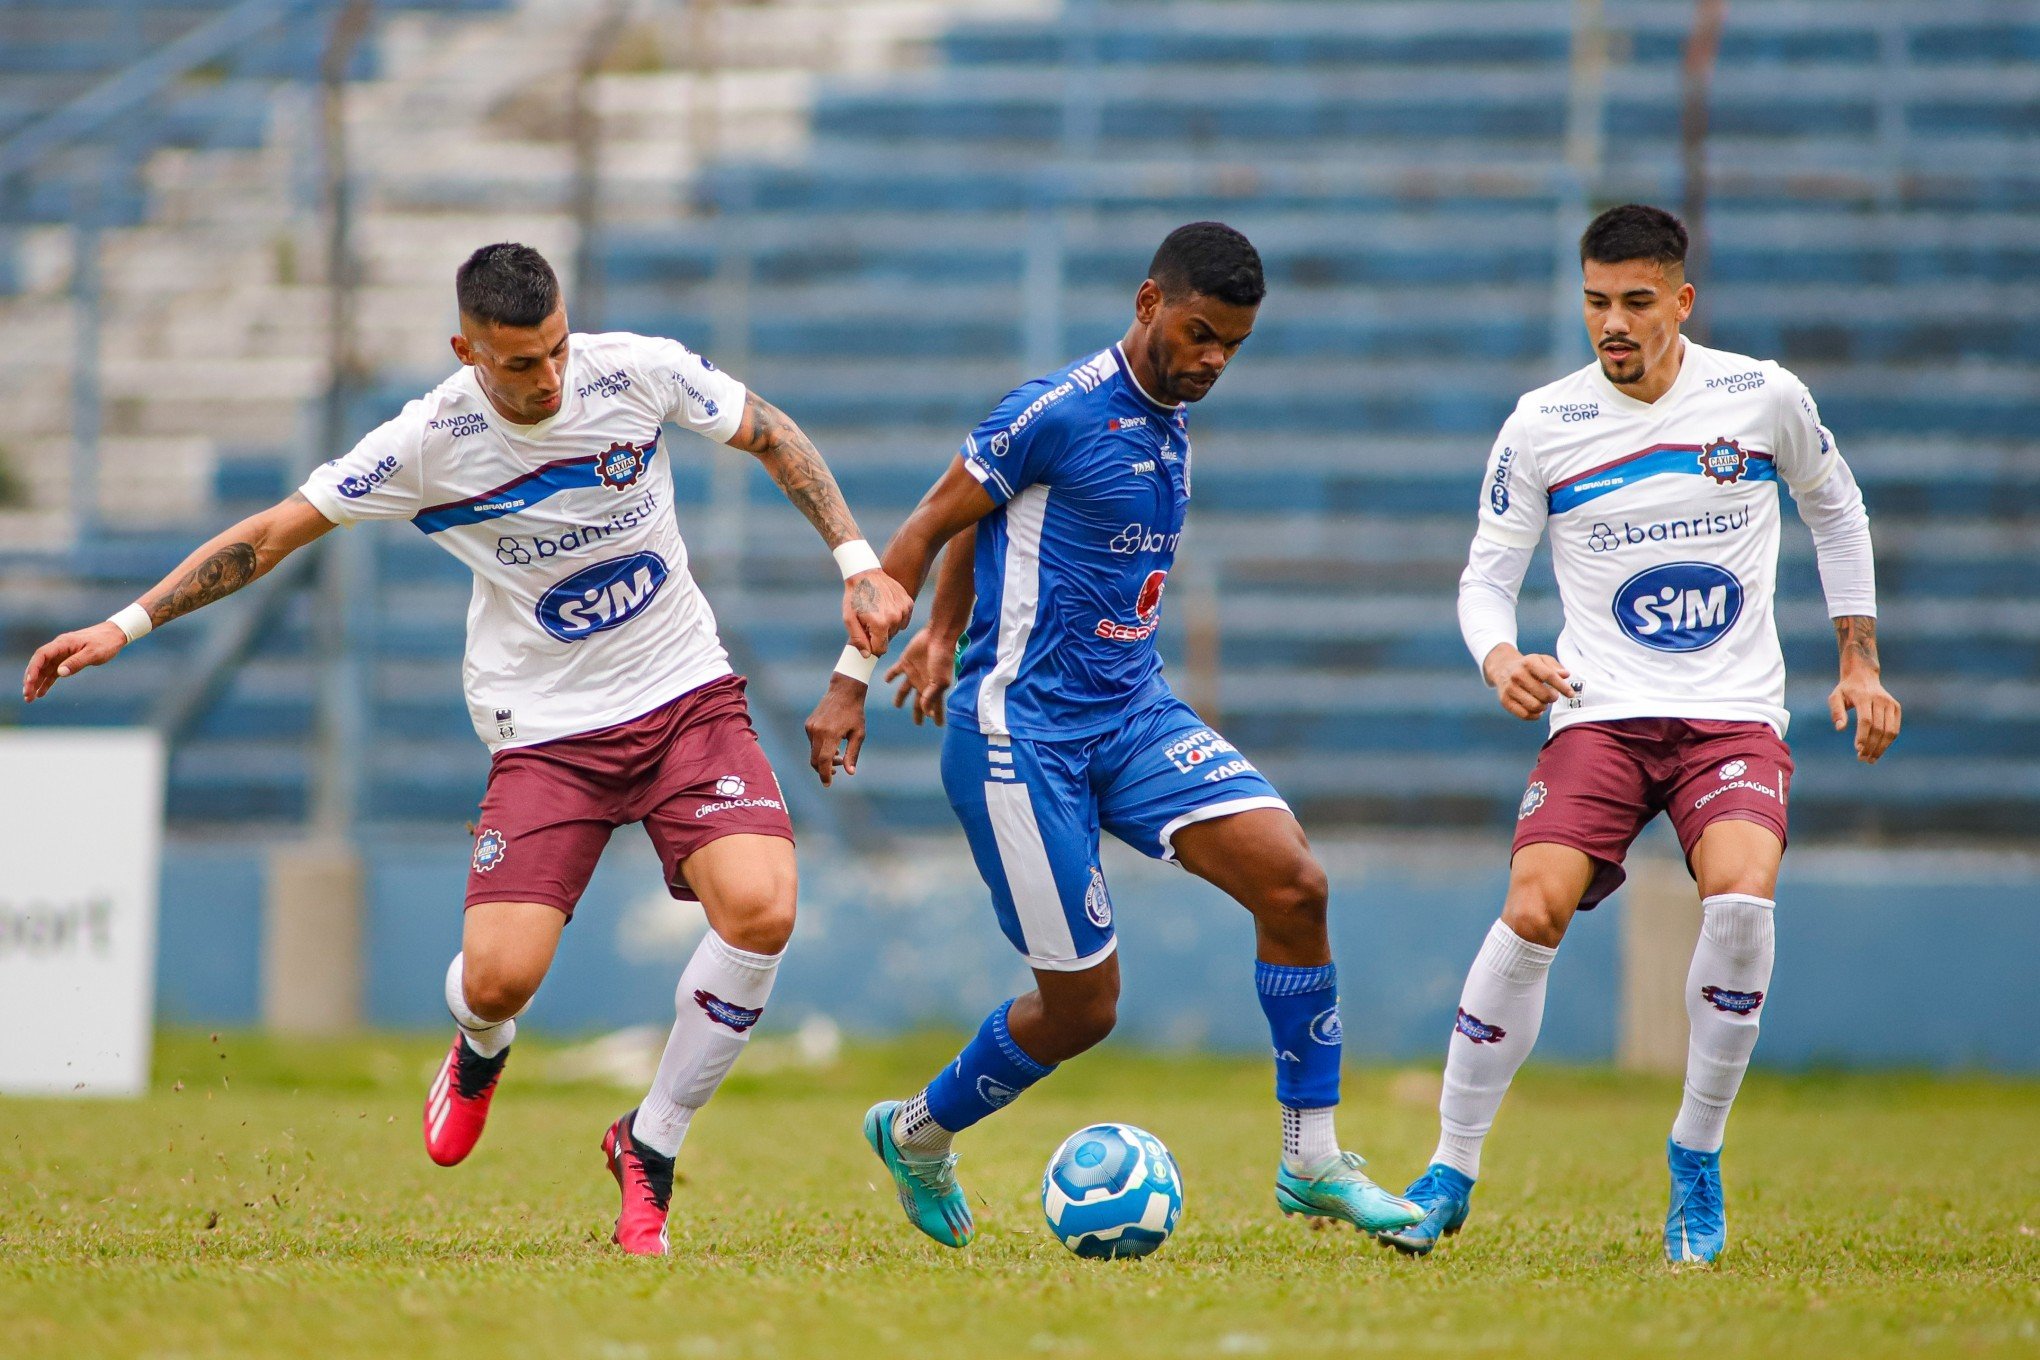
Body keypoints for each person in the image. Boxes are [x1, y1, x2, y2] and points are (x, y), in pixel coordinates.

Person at [21, 242, 913, 1257]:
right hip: (546, 732)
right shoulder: (425, 443)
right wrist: (124, 626)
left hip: (682, 697)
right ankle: (481, 1047)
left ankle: (649, 1146)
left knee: (764, 909)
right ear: (467, 349)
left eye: (557, 350)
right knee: (498, 981)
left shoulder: (634, 370)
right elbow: (268, 536)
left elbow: (771, 432)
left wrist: (857, 559)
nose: (549, 378)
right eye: (522, 363)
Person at [804, 221, 1423, 1249]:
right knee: (1085, 1009)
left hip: (1132, 713)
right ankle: (916, 1133)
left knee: (1295, 885)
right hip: (1021, 734)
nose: (1213, 358)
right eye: (1198, 332)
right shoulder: (1055, 411)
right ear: (1147, 304)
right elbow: (928, 526)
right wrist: (850, 682)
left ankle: (1313, 1159)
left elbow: (997, 523)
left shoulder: (1167, 413)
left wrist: (952, 623)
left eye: (1232, 343)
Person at [1378, 204, 1901, 1265]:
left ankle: (1695, 1160)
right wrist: (1499, 657)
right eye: (1595, 302)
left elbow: (1835, 508)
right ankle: (1449, 1167)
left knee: (1744, 903)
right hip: (1602, 714)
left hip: (1731, 718)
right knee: (1532, 907)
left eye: (1634, 302)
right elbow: (1485, 577)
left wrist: (1859, 657)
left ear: (1681, 301)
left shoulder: (1763, 398)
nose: (1612, 324)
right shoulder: (1542, 424)